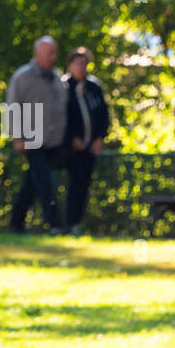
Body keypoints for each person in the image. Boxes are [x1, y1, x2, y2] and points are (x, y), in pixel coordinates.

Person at [6, 36, 70, 234]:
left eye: (54, 52)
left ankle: (16, 223)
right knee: (44, 181)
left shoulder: (58, 78)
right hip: (31, 140)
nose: (54, 57)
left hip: (55, 141)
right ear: (38, 54)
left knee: (32, 182)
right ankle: (55, 224)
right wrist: (18, 137)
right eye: (49, 53)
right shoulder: (22, 76)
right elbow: (13, 107)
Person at [63, 47, 111, 232]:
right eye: (78, 63)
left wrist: (99, 138)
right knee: (71, 185)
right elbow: (61, 117)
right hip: (70, 148)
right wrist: (72, 139)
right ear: (70, 65)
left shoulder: (94, 87)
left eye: (85, 63)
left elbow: (103, 115)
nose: (82, 67)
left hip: (90, 147)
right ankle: (65, 223)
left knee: (83, 184)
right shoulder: (63, 87)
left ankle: (76, 223)